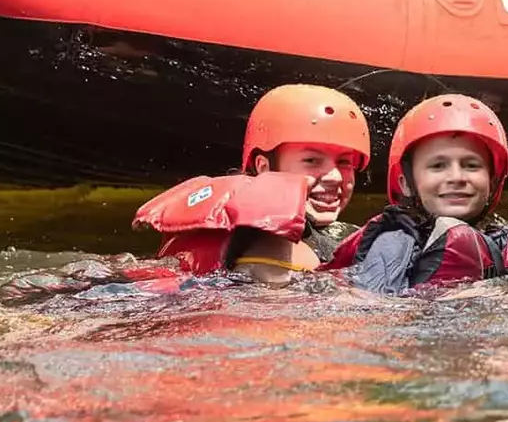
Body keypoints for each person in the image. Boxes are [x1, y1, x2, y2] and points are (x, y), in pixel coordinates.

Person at [133, 85, 371, 283]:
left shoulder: (334, 237)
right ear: (264, 166)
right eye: (311, 160)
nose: (336, 177)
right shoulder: (275, 245)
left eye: (344, 163)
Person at [324, 95, 508, 291]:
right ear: (406, 184)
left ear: (493, 181)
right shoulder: (392, 246)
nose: (456, 177)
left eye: (471, 165)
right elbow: (369, 312)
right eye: (438, 166)